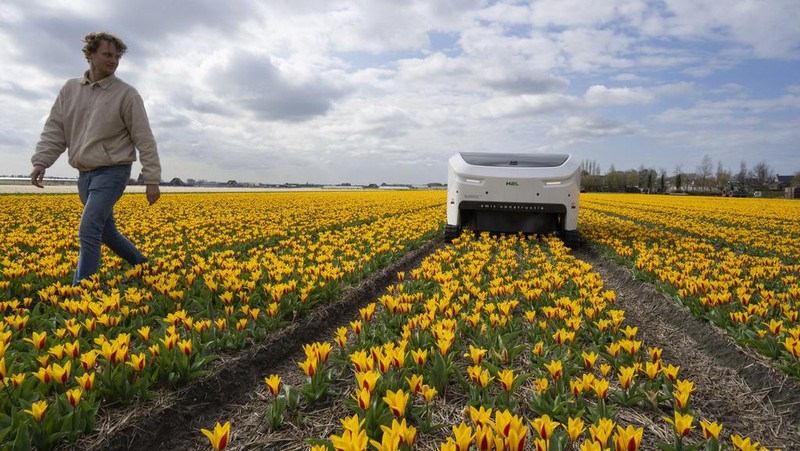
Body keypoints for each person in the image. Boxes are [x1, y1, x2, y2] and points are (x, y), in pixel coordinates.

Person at [30, 31, 162, 286]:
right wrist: (41, 161)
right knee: (106, 231)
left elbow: (144, 138)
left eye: (117, 56)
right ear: (89, 55)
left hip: (113, 171)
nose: (113, 61)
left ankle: (81, 291)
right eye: (107, 55)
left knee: (88, 229)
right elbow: (55, 128)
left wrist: (152, 179)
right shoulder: (70, 90)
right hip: (85, 173)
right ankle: (144, 266)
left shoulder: (127, 94)